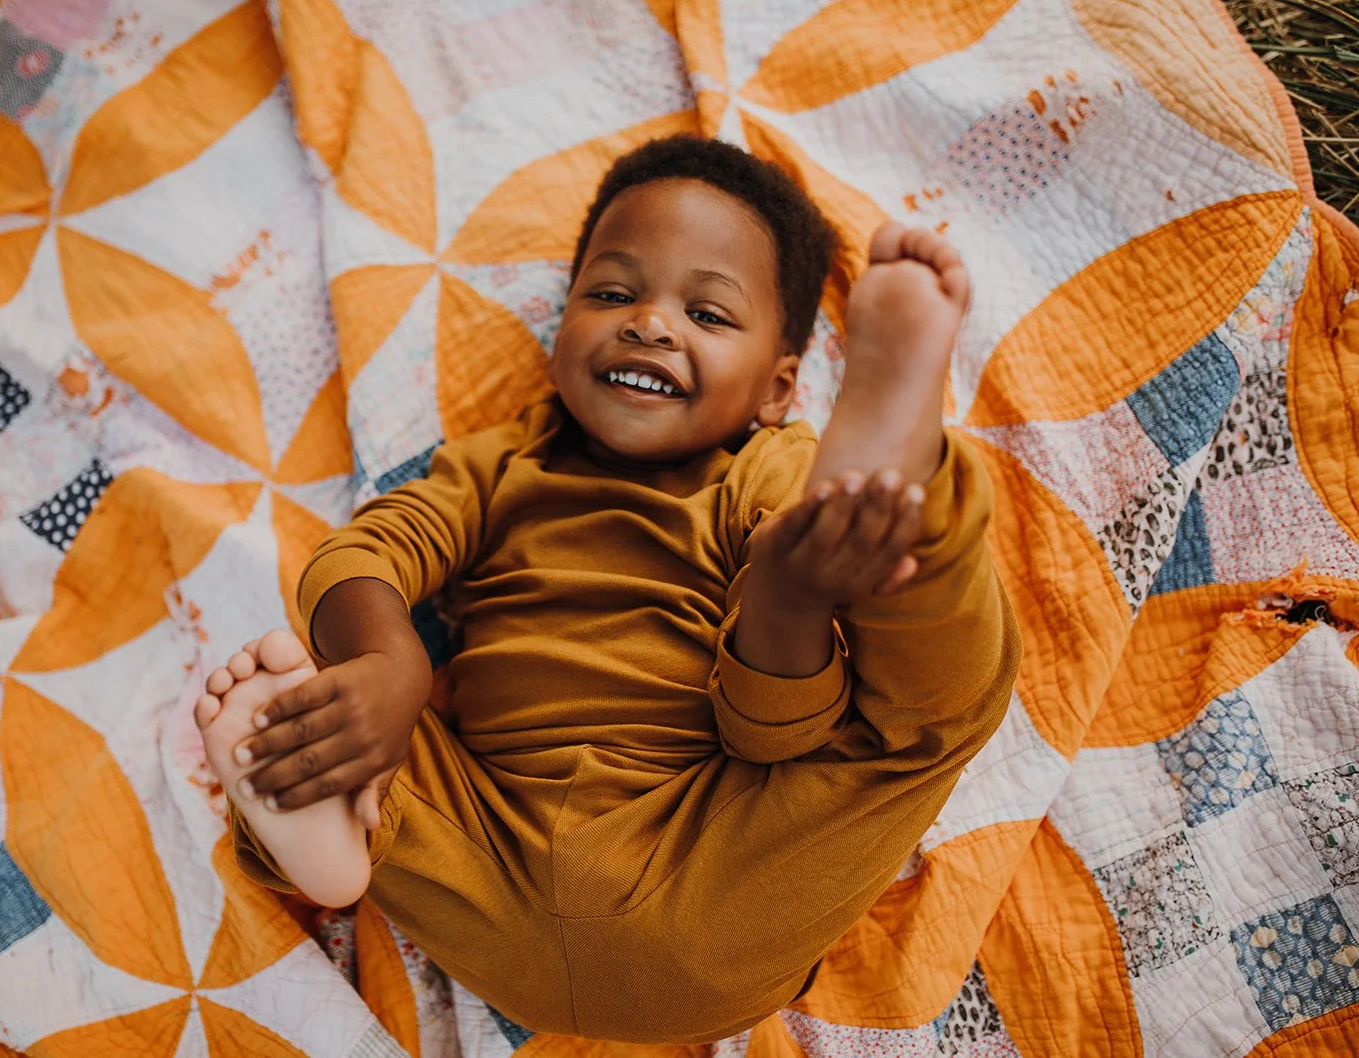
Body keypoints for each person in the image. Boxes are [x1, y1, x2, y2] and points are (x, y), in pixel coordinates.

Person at [192, 136, 1020, 1043]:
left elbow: (775, 732)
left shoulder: (768, 471)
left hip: (721, 858)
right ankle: (341, 804)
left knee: (924, 673)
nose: (651, 324)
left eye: (707, 313)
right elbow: (360, 554)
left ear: (778, 390)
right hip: (488, 864)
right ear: (563, 329)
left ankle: (901, 485)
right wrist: (390, 668)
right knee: (334, 691)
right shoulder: (501, 465)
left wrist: (787, 603)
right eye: (613, 294)